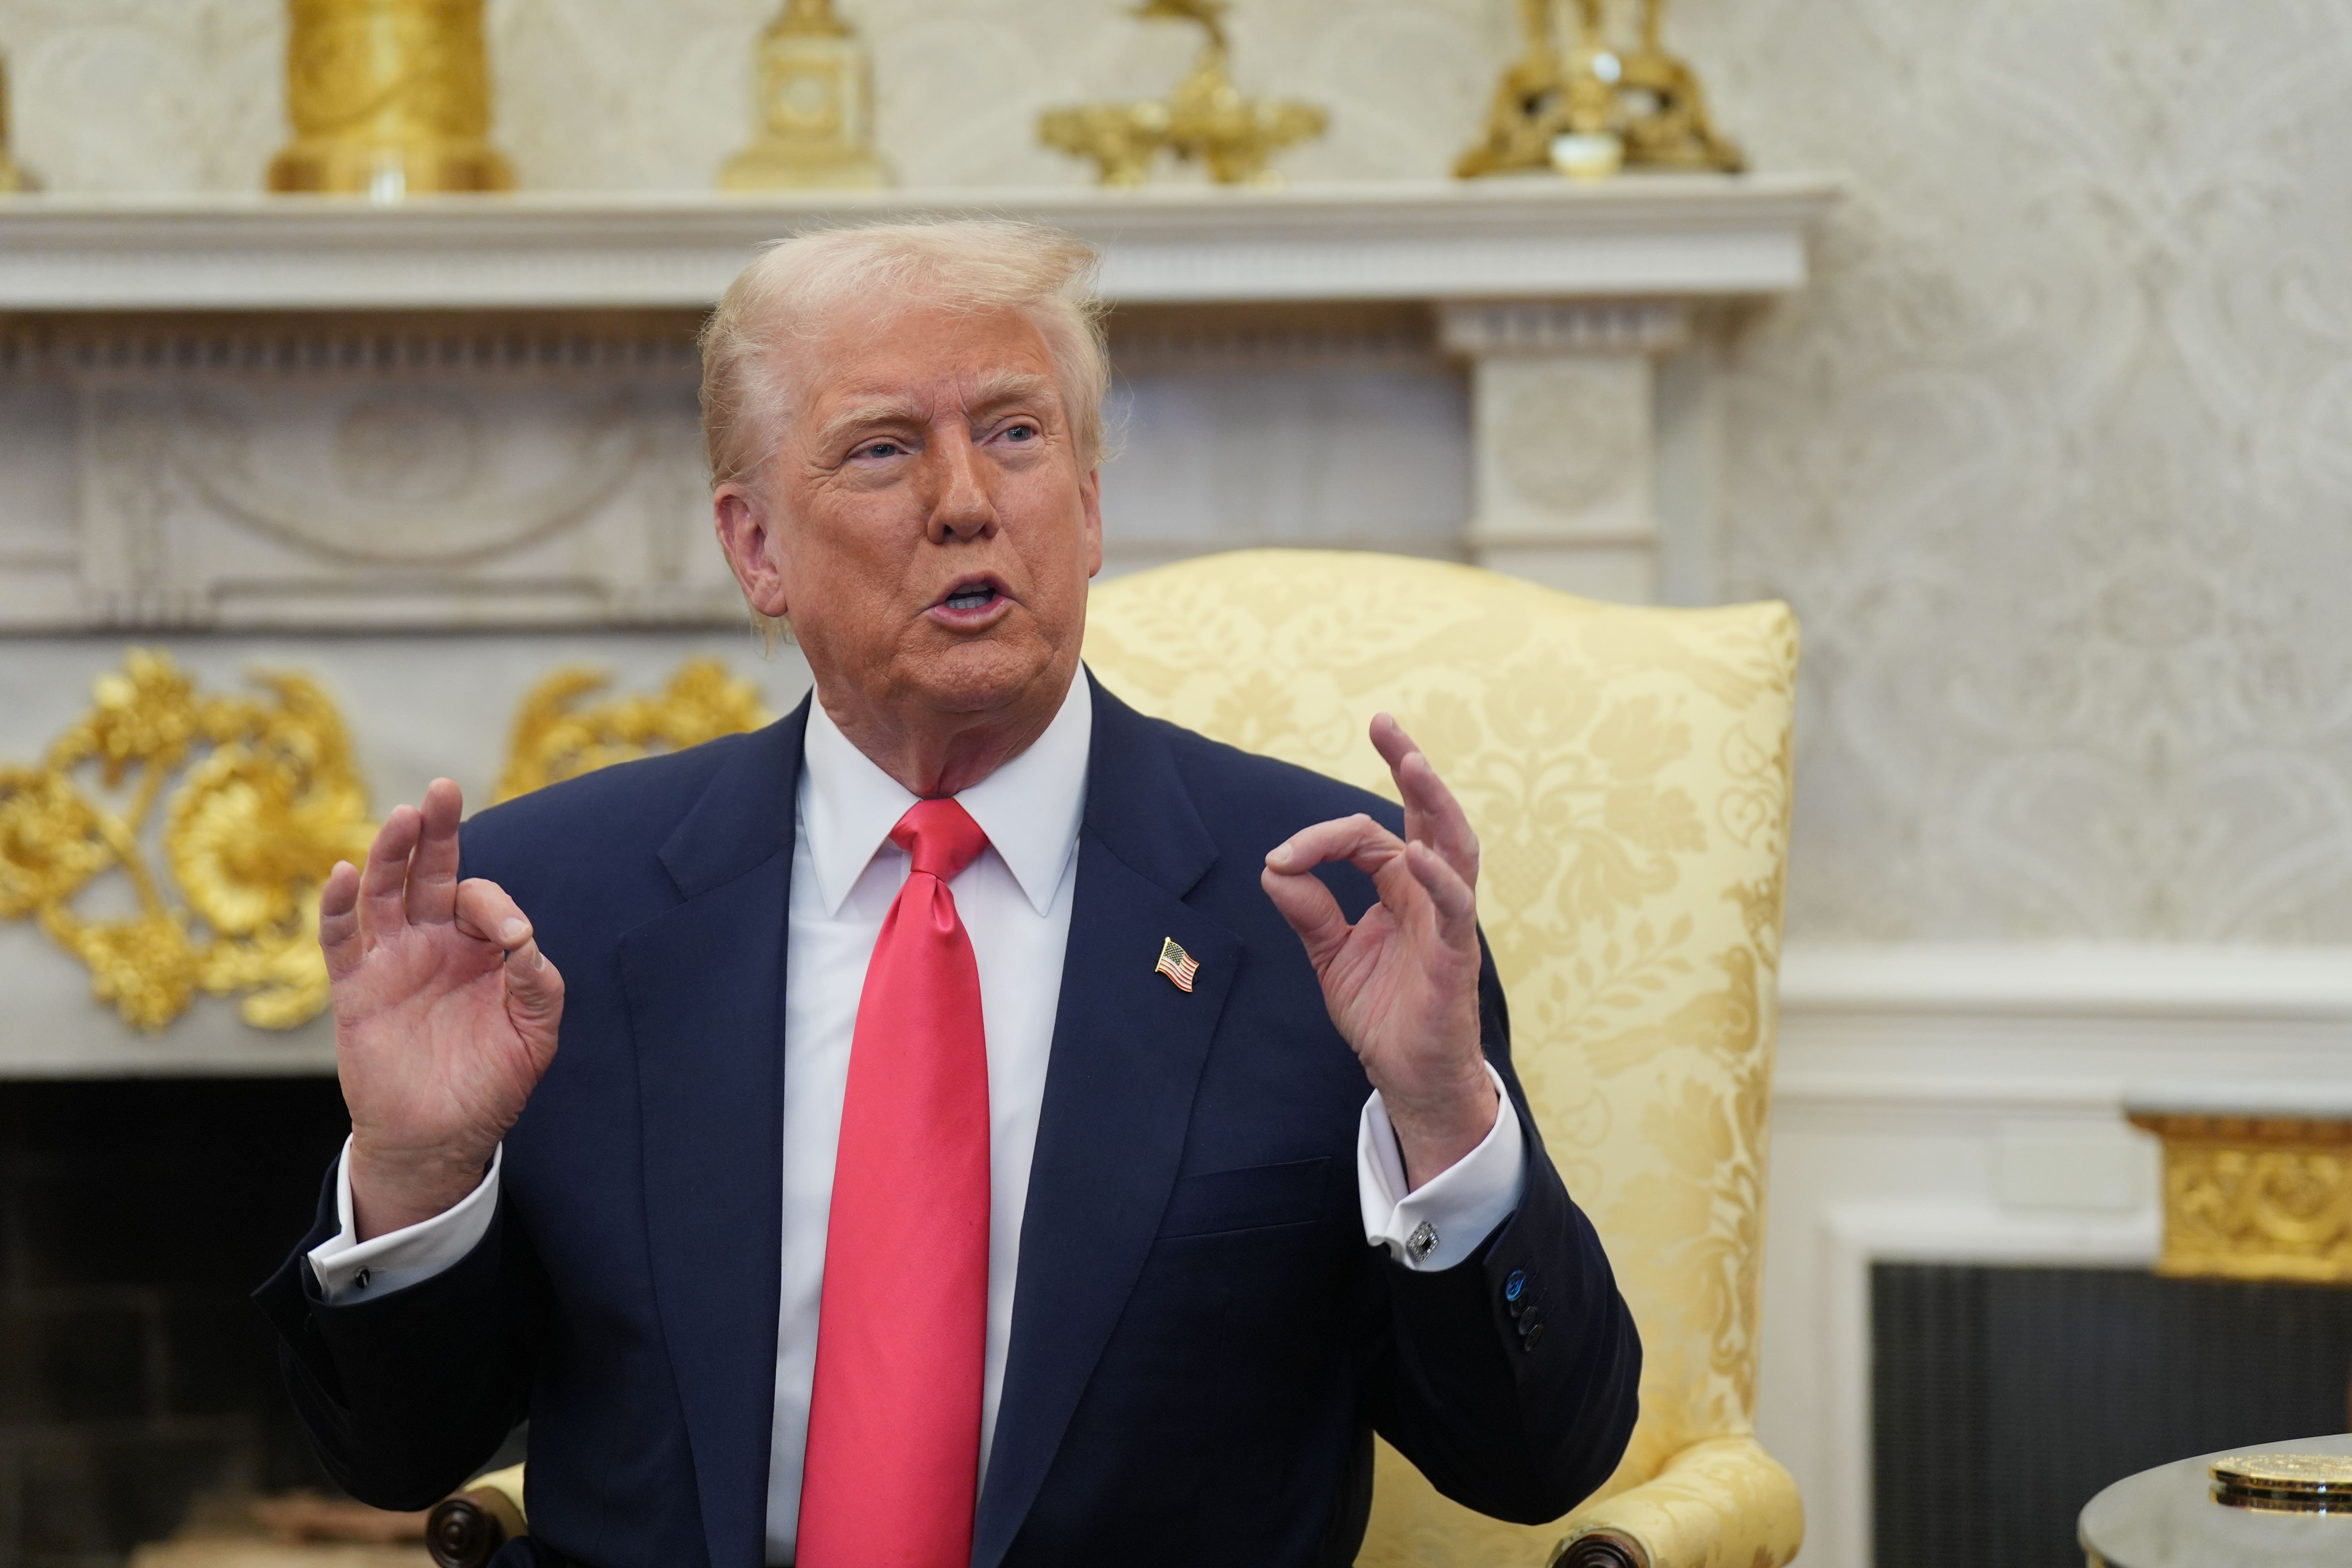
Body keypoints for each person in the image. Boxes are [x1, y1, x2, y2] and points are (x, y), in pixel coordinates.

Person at [256, 219, 1639, 1568]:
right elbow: (393, 1454)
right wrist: (417, 1170)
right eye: (883, 448)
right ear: (756, 550)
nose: (968, 499)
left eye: (1018, 434)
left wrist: (1443, 1115)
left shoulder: (1327, 908)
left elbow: (1538, 1463)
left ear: (1090, 509)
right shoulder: (553, 908)